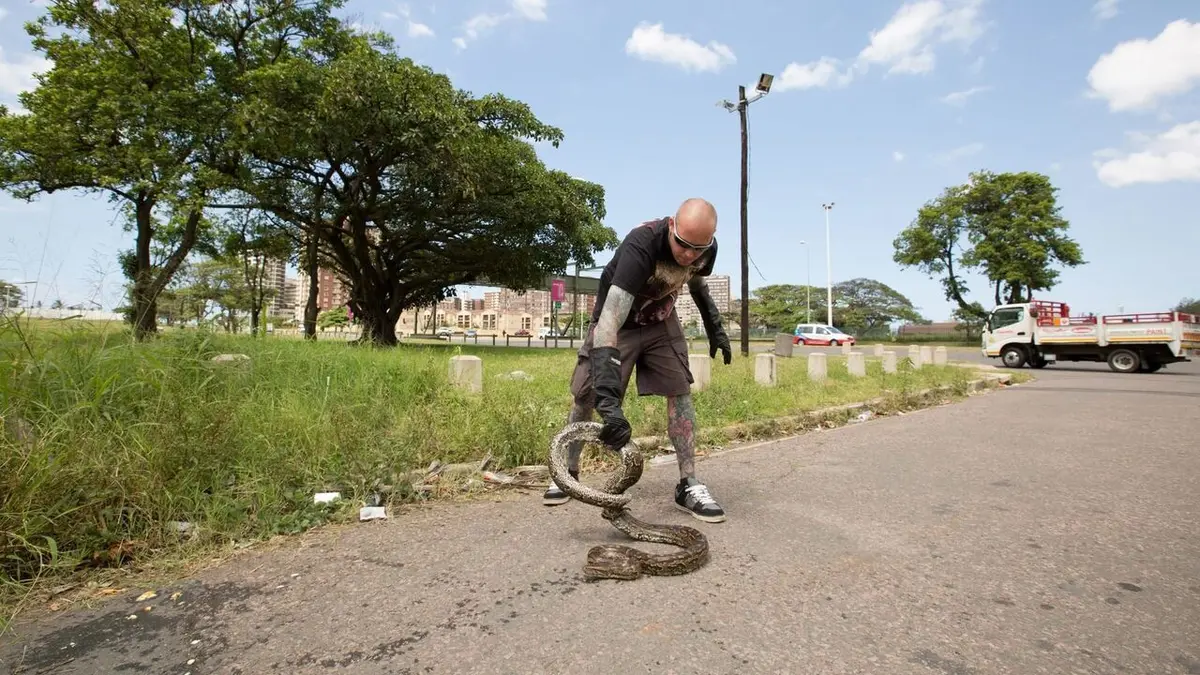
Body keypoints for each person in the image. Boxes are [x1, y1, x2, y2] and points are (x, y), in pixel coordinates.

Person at [542, 197, 733, 523]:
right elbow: (609, 323)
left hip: (661, 322)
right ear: (672, 226)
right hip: (618, 323)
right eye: (683, 244)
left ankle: (688, 484)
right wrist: (610, 404)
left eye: (697, 249)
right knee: (585, 393)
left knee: (680, 391)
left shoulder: (704, 249)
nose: (688, 254)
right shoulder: (641, 245)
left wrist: (715, 326)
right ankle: (568, 471)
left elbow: (696, 280)